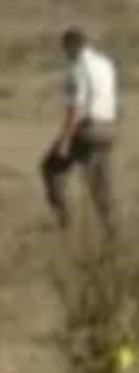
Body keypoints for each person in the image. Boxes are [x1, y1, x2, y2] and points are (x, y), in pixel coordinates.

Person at [41, 26, 118, 233]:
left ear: (71, 46)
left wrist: (65, 140)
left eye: (65, 50)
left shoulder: (77, 69)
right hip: (108, 127)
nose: (65, 55)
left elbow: (75, 107)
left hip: (88, 129)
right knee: (101, 186)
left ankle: (64, 221)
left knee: (50, 168)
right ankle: (112, 233)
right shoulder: (105, 64)